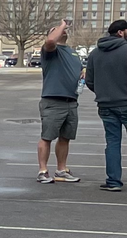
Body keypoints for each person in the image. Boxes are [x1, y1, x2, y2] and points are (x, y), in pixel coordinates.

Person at [36, 19, 83, 184]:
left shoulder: (73, 52)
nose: (63, 31)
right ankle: (42, 171)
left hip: (71, 100)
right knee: (47, 137)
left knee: (65, 137)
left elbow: (77, 70)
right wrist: (62, 25)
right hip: (53, 100)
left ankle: (61, 170)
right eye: (56, 30)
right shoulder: (50, 50)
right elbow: (50, 41)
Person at [87, 17, 127, 192]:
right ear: (121, 32)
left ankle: (113, 181)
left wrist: (103, 92)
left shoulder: (95, 53)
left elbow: (89, 80)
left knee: (112, 142)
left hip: (106, 105)